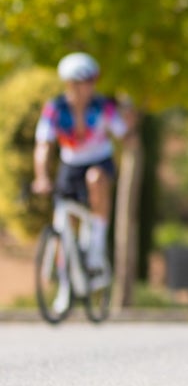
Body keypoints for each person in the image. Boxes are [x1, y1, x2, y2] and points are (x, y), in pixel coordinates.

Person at [32, 52, 131, 312]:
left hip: (99, 160)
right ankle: (66, 286)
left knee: (95, 179)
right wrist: (41, 176)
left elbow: (123, 132)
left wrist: (129, 124)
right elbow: (43, 146)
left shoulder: (102, 107)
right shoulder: (55, 109)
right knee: (65, 224)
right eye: (82, 81)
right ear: (70, 83)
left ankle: (97, 247)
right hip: (70, 165)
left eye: (90, 81)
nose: (87, 87)